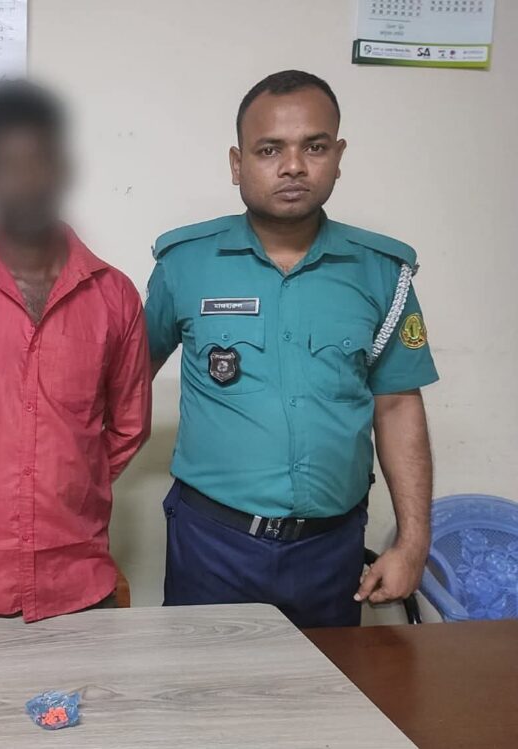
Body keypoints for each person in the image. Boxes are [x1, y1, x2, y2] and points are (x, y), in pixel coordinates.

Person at [145, 70, 438, 628]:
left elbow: (399, 405)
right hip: (211, 545)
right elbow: (126, 379)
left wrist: (412, 543)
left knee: (325, 683)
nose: (294, 166)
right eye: (269, 149)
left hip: (330, 550)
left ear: (339, 156)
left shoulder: (382, 273)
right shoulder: (185, 264)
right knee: (200, 681)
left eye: (315, 147)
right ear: (237, 164)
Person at [0, 80, 151, 622]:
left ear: (63, 169)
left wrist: (68, 482)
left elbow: (129, 427)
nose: (24, 182)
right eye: (4, 165)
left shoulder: (116, 296)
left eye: (38, 161)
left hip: (77, 576)